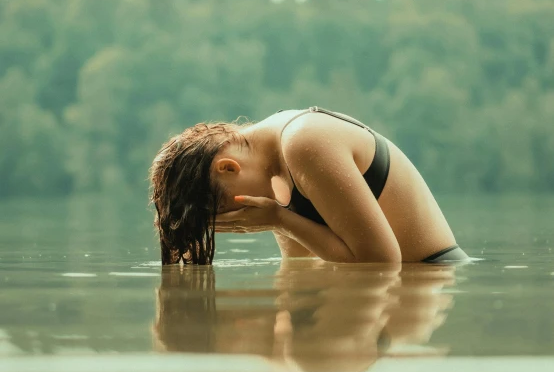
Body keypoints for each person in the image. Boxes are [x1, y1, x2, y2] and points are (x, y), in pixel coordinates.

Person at [148, 105, 470, 265]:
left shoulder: (304, 142)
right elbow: (300, 270)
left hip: (431, 280)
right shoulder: (273, 175)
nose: (237, 216)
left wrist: (279, 220)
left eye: (222, 209)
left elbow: (382, 263)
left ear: (228, 167)